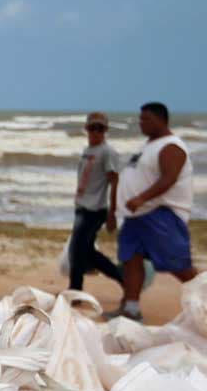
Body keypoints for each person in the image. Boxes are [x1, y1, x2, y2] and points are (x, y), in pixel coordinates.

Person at [107, 101, 198, 323]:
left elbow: (169, 178)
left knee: (179, 265)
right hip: (136, 217)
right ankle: (130, 309)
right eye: (140, 118)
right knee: (131, 260)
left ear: (161, 119)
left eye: (146, 119)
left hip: (160, 213)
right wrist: (113, 209)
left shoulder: (171, 146)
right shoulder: (148, 146)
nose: (141, 123)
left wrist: (142, 198)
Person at [67, 112, 123, 293]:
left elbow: (114, 181)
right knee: (87, 252)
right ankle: (124, 278)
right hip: (82, 206)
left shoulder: (107, 152)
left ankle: (75, 291)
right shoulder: (88, 151)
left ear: (105, 130)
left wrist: (112, 213)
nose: (96, 132)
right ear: (87, 129)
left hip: (95, 209)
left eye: (100, 128)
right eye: (93, 128)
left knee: (76, 251)